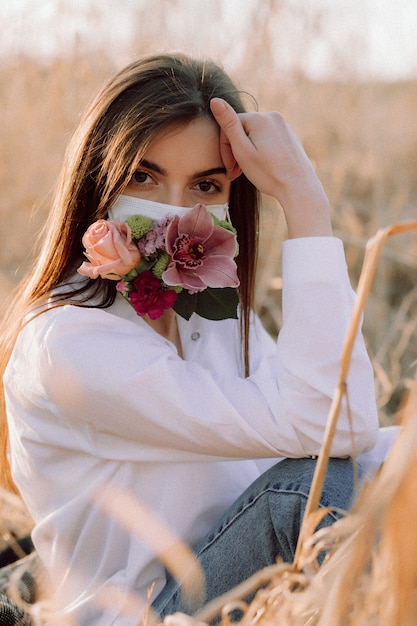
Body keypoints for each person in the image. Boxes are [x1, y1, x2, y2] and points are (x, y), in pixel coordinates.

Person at [0, 53, 379, 625]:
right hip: (148, 613)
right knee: (301, 495)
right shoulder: (68, 341)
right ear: (96, 180)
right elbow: (332, 427)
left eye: (206, 185)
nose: (174, 211)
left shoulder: (212, 310)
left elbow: (348, 420)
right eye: (143, 177)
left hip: (241, 577)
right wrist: (306, 201)